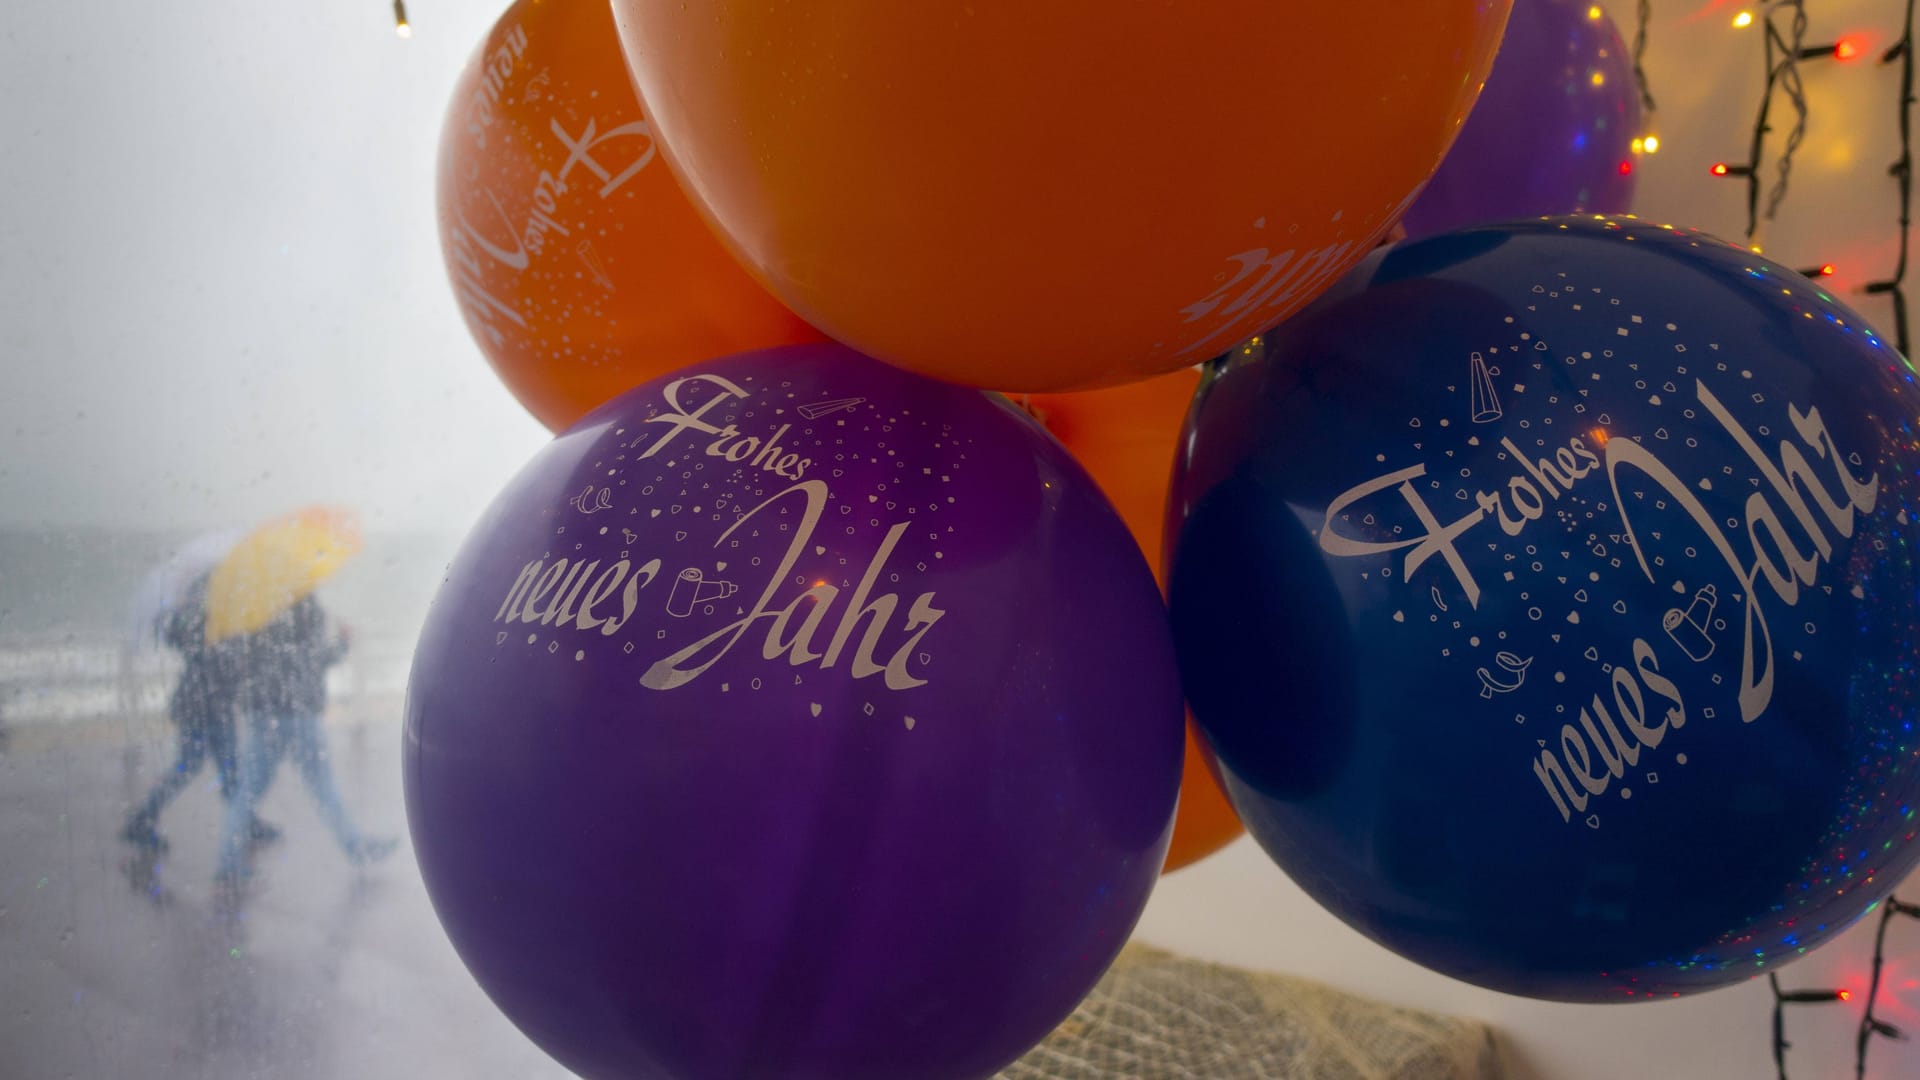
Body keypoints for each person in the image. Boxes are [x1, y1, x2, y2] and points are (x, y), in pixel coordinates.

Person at [213, 591, 395, 889]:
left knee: (247, 791)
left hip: (264, 717)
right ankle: (355, 846)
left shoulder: (258, 613)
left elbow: (243, 665)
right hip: (301, 716)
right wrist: (343, 640)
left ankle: (227, 863)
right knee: (324, 786)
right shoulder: (303, 605)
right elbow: (319, 659)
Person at [120, 572, 279, 852]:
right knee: (192, 766)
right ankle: (142, 819)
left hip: (210, 705)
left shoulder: (211, 620)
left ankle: (245, 820)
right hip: (202, 707)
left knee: (226, 770)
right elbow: (221, 658)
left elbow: (172, 635)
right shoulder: (208, 621)